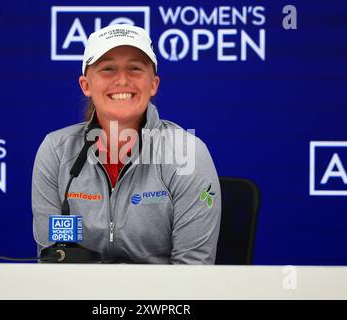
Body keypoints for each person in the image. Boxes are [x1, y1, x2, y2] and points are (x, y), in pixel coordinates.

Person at [32, 24, 221, 264]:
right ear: (86, 85)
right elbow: (54, 262)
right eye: (108, 69)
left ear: (153, 83)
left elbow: (192, 271)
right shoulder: (56, 152)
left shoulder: (188, 153)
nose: (122, 80)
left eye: (134, 68)